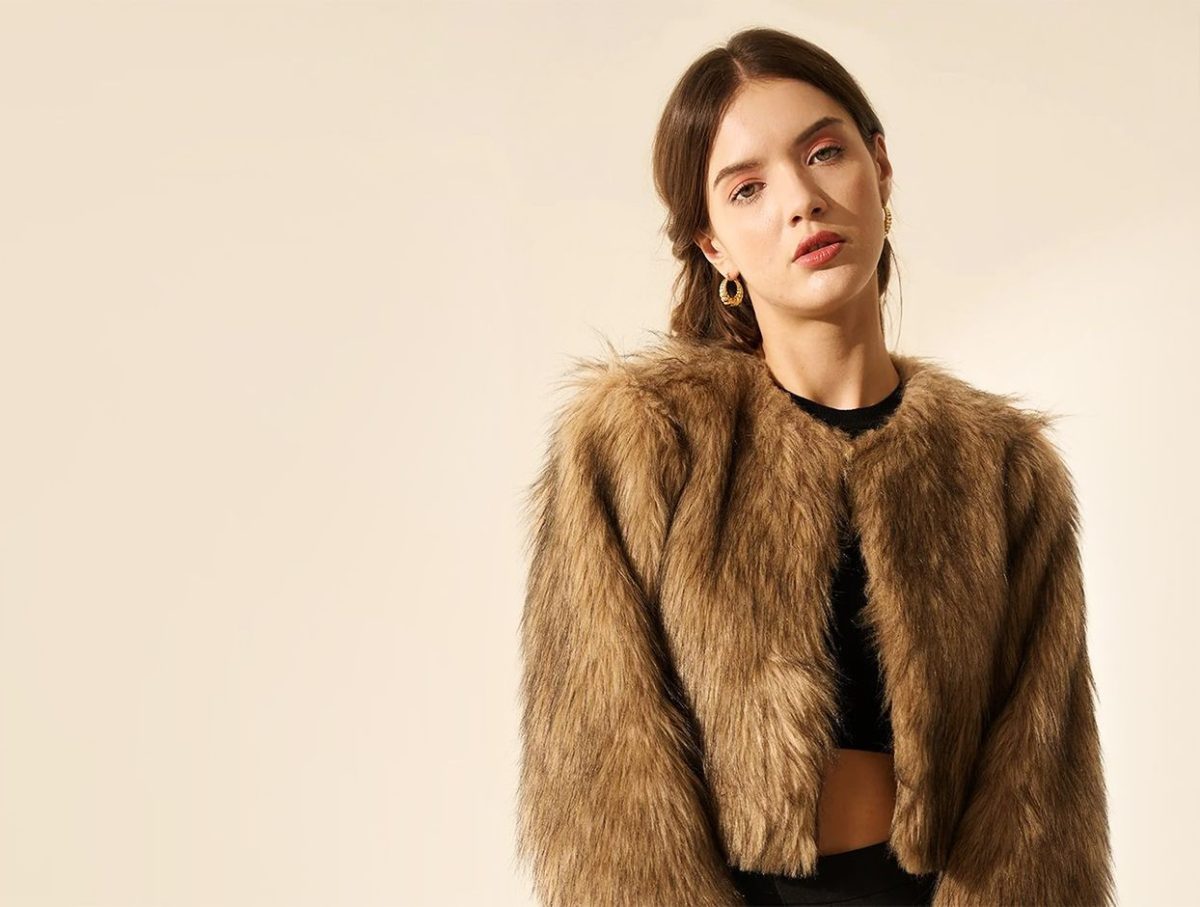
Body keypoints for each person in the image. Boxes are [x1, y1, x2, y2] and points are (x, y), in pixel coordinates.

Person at [515, 26, 1115, 907]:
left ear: (880, 165)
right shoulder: (639, 443)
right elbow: (603, 776)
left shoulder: (1006, 469)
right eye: (747, 188)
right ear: (713, 245)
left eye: (824, 152)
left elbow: (1042, 789)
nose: (800, 201)